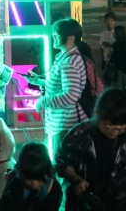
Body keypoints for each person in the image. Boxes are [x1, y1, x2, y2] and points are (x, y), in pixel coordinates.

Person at [55, 87, 126, 211]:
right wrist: (76, 179)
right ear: (97, 113)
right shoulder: (79, 134)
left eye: (121, 128)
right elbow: (61, 161)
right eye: (110, 125)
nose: (114, 131)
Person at [28, 17, 87, 156]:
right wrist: (39, 82)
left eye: (57, 34)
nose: (53, 36)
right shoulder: (66, 58)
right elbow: (61, 86)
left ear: (71, 38)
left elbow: (71, 95)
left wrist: (43, 101)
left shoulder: (69, 62)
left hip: (66, 125)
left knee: (63, 166)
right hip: (62, 124)